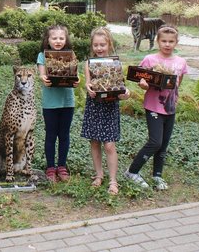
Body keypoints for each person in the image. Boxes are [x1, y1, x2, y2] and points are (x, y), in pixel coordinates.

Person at [124, 25, 188, 190]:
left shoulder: (181, 62)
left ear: (176, 42)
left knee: (164, 144)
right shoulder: (150, 60)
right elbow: (142, 81)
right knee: (155, 142)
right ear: (158, 41)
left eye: (171, 41)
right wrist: (144, 86)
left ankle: (157, 176)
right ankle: (132, 171)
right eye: (164, 41)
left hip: (170, 108)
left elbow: (177, 84)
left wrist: (175, 99)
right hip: (153, 107)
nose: (167, 44)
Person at [81, 27, 130, 195]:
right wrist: (88, 88)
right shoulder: (88, 63)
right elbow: (87, 83)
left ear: (109, 44)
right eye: (96, 45)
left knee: (109, 145)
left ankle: (113, 180)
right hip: (95, 106)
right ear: (92, 46)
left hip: (110, 107)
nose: (99, 48)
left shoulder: (116, 63)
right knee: (94, 142)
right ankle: (99, 175)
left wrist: (126, 93)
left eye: (102, 44)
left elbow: (121, 86)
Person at [37, 25, 78, 183]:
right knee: (51, 135)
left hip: (67, 102)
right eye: (54, 38)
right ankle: (50, 167)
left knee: (64, 135)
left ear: (66, 39)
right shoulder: (43, 56)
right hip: (50, 103)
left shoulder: (70, 55)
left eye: (61, 38)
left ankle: (62, 166)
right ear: (48, 40)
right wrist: (44, 79)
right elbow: (42, 74)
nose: (58, 41)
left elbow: (75, 75)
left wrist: (76, 81)